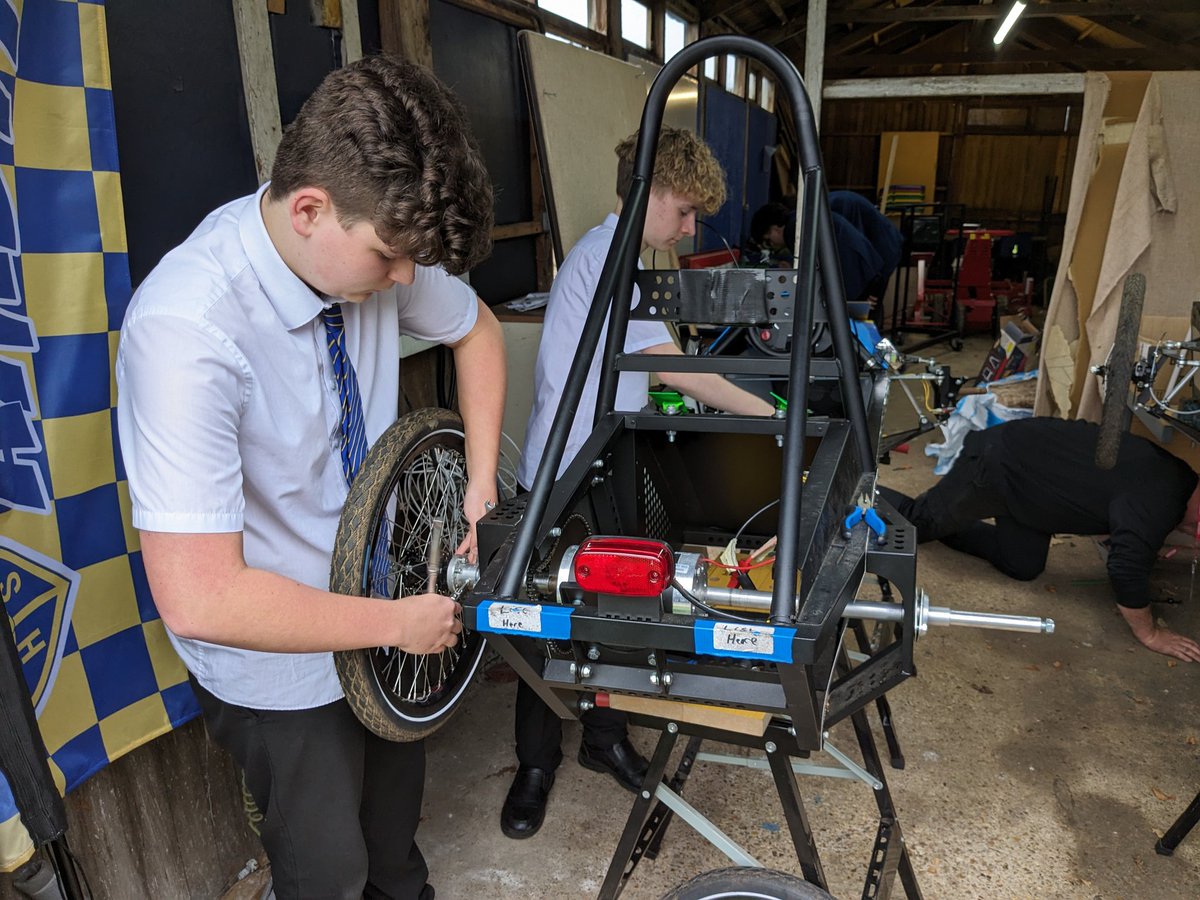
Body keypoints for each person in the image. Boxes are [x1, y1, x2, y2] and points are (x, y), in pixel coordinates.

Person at [116, 56, 505, 899]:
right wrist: (395, 624)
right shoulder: (186, 331)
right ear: (308, 210)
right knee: (326, 867)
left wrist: (480, 491)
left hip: (389, 602)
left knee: (395, 845)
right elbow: (202, 598)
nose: (405, 280)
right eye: (390, 258)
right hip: (277, 653)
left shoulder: (363, 239)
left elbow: (476, 331)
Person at [503, 127, 775, 840]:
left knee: (617, 609)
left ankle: (602, 740)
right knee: (545, 619)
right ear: (650, 191)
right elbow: (679, 370)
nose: (688, 229)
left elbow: (661, 365)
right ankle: (534, 765)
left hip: (605, 458)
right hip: (564, 473)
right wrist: (773, 416)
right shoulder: (607, 261)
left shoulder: (621, 259)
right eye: (684, 211)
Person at [877, 417, 1200, 663]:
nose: (1190, 533)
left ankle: (950, 522)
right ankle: (856, 491)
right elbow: (1126, 568)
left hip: (1033, 492)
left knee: (1022, 565)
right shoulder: (1163, 499)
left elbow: (1115, 499)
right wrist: (1151, 634)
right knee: (915, 525)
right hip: (999, 464)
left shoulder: (1182, 479)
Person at [746, 192, 902, 308]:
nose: (772, 246)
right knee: (867, 316)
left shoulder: (798, 228)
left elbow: (815, 265)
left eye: (768, 241)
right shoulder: (807, 215)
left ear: (775, 228)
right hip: (869, 261)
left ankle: (875, 350)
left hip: (868, 262)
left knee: (862, 317)